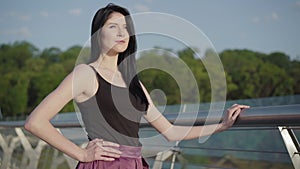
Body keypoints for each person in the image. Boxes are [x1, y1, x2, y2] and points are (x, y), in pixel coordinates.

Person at [24, 3, 250, 169]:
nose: (122, 33)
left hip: (135, 163)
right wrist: (81, 155)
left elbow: (170, 131)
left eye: (125, 27)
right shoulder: (85, 73)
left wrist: (221, 125)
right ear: (97, 33)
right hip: (104, 165)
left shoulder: (133, 81)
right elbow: (35, 122)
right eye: (113, 26)